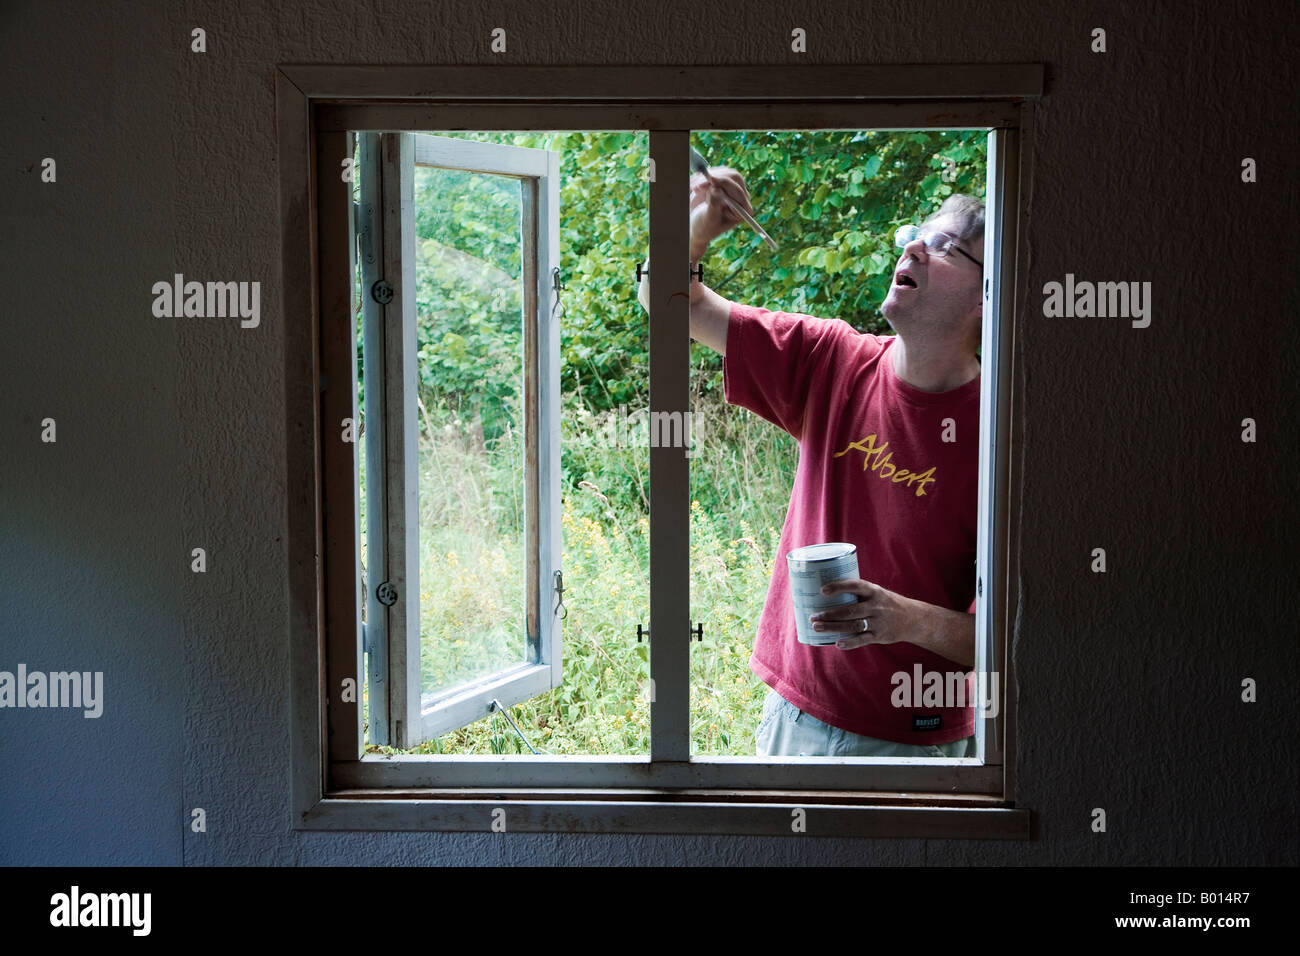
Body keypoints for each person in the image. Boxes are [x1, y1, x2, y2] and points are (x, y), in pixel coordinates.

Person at [638, 166, 984, 757]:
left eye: (948, 246)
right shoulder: (833, 360)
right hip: (795, 718)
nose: (917, 249)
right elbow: (669, 305)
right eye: (917, 235)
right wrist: (693, 232)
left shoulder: (1001, 432)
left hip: (916, 743)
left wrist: (902, 619)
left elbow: (1013, 640)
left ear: (989, 295)